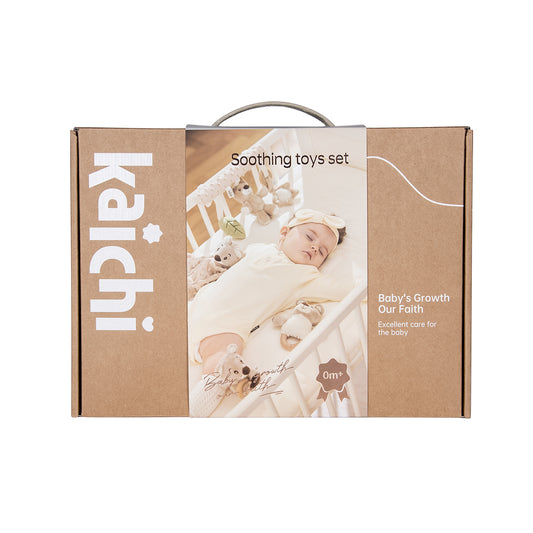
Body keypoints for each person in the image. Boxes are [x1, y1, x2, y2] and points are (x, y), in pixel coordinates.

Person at [188, 209, 350, 378]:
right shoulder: (258, 248)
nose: (315, 247)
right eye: (309, 237)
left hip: (224, 327)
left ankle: (219, 383)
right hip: (199, 303)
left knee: (225, 354)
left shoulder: (306, 276)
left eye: (322, 252)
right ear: (284, 233)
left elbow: (339, 289)